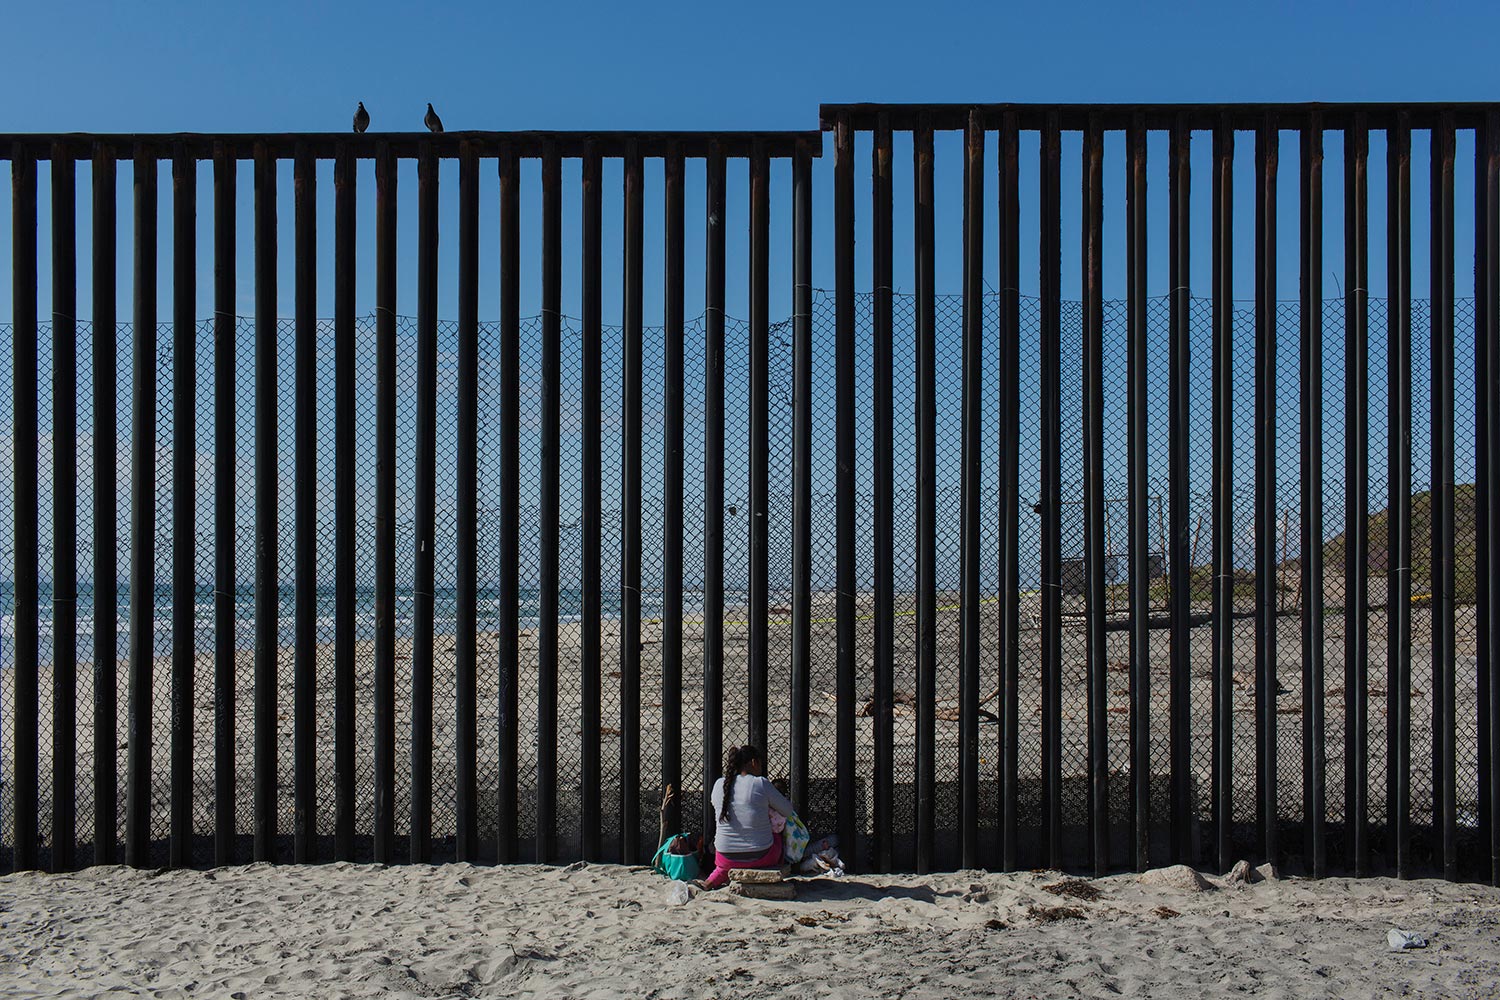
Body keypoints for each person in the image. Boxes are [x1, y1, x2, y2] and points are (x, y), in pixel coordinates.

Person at [694, 745, 795, 890]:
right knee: (777, 829)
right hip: (763, 855)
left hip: (724, 855)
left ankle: (712, 880)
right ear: (754, 763)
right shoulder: (760, 783)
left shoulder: (718, 785)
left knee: (725, 864)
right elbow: (788, 811)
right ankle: (783, 867)